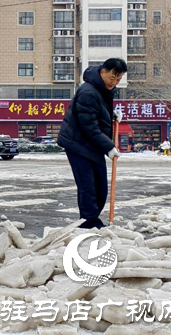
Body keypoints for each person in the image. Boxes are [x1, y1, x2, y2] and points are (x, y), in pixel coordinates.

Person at [57, 58, 127, 229]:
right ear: (103, 71)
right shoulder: (88, 92)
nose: (114, 82)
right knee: (88, 186)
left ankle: (92, 220)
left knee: (100, 186)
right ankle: (89, 223)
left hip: (91, 145)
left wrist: (111, 115)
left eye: (118, 79)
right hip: (77, 144)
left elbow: (97, 114)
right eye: (112, 78)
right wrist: (109, 147)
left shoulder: (101, 88)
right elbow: (89, 126)